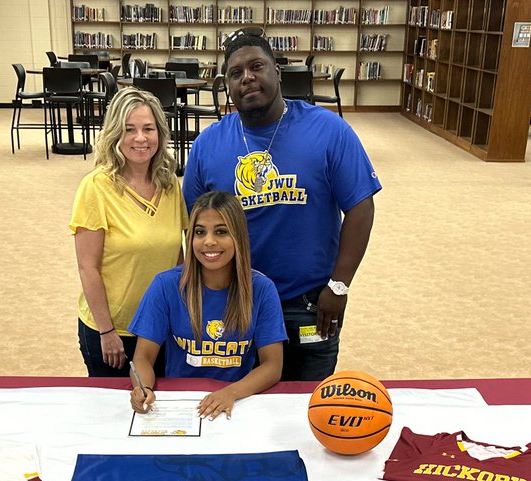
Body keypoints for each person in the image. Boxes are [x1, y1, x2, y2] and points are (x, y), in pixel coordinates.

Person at [183, 32, 380, 382]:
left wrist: (339, 285)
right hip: (235, 299)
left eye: (256, 66)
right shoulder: (208, 144)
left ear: (277, 71)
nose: (247, 77)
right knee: (239, 405)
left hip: (311, 303)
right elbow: (194, 225)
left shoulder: (329, 130)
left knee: (305, 405)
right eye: (235, 72)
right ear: (226, 84)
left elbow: (361, 206)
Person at [128, 191, 286, 419]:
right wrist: (143, 389)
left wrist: (230, 393)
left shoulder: (262, 289)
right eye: (200, 232)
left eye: (221, 232)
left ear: (238, 237)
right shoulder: (165, 285)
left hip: (238, 402)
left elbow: (272, 366)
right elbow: (143, 357)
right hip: (180, 404)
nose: (209, 241)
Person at [70, 87, 187, 377]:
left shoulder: (170, 184)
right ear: (114, 135)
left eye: (148, 129)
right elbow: (88, 268)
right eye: (129, 129)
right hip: (112, 331)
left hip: (160, 326)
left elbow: (178, 257)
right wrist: (107, 332)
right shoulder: (96, 187)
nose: (140, 138)